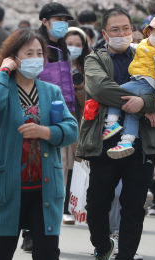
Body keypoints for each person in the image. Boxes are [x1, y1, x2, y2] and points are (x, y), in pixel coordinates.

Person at [0, 29, 78, 260]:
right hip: (7, 187)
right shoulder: (3, 88)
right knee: (0, 251)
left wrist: (46, 131)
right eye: (28, 52)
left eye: (39, 53)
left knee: (48, 252)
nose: (35, 58)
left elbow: (71, 129)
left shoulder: (51, 91)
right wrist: (4, 69)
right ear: (14, 57)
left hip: (44, 189)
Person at [76, 7, 155, 260]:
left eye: (126, 28)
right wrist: (142, 102)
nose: (122, 33)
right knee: (96, 203)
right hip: (103, 142)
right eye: (115, 29)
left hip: (142, 143)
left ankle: (126, 254)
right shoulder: (95, 59)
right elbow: (99, 88)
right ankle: (102, 244)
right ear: (105, 33)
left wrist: (146, 105)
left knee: (134, 205)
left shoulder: (147, 54)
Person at [103, 11, 155, 159]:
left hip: (144, 83)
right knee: (132, 111)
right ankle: (127, 140)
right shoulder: (145, 46)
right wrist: (145, 107)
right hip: (142, 83)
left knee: (119, 92)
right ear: (149, 32)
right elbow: (136, 46)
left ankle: (111, 122)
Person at [62, 26, 91, 225]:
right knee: (61, 164)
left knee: (75, 165)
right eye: (69, 44)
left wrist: (79, 87)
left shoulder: (87, 68)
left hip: (79, 122)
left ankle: (71, 205)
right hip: (58, 121)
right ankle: (60, 206)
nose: (73, 48)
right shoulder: (54, 67)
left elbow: (89, 99)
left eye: (77, 45)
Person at [37, 2, 77, 117]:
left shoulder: (64, 49)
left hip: (67, 111)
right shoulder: (37, 48)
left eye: (65, 20)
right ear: (45, 21)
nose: (63, 23)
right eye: (58, 19)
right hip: (43, 112)